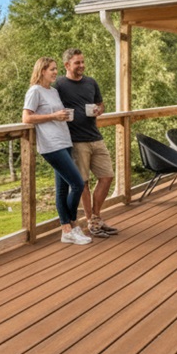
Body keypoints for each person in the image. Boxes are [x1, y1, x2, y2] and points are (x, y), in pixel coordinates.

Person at [23, 57, 90, 245]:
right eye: (52, 69)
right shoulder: (34, 91)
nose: (55, 72)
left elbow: (55, 114)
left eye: (55, 69)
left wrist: (63, 116)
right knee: (78, 183)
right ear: (42, 70)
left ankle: (66, 231)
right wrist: (54, 115)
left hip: (64, 140)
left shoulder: (52, 91)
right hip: (51, 145)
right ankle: (72, 224)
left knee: (62, 190)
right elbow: (26, 118)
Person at [54, 48, 117, 238]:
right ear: (67, 65)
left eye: (82, 62)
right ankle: (91, 221)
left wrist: (99, 110)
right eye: (77, 63)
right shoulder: (59, 85)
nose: (81, 66)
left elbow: (101, 103)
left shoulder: (91, 82)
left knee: (106, 176)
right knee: (82, 183)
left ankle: (96, 217)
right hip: (76, 141)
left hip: (95, 137)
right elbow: (49, 107)